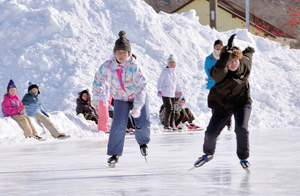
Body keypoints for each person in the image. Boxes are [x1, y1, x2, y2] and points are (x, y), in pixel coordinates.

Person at [194, 34, 255, 170]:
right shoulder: (219, 72)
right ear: (225, 61)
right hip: (222, 104)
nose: (233, 64)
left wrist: (250, 49)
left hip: (241, 102)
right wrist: (226, 55)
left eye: (235, 61)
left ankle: (243, 157)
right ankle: (208, 154)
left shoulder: (244, 64)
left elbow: (248, 56)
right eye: (229, 61)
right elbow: (218, 71)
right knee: (211, 132)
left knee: (241, 129)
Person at [92, 30, 150, 167]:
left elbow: (142, 87)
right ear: (114, 53)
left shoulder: (135, 67)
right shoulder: (108, 66)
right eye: (118, 52)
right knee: (118, 124)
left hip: (137, 96)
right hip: (120, 98)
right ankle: (114, 154)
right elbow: (97, 79)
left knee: (143, 120)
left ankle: (143, 142)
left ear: (129, 53)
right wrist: (95, 95)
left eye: (124, 53)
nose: (121, 55)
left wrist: (137, 106)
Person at [205, 39, 232, 130]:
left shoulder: (224, 57)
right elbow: (207, 69)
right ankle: (215, 122)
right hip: (213, 83)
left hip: (224, 83)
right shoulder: (208, 58)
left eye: (220, 46)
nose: (218, 47)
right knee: (215, 103)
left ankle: (228, 122)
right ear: (214, 47)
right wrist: (211, 76)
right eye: (217, 46)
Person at [157, 54, 182, 131]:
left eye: (173, 62)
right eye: (170, 62)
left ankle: (172, 125)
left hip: (172, 94)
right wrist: (159, 90)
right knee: (169, 108)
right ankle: (166, 125)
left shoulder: (175, 73)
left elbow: (177, 83)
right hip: (165, 93)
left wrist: (180, 91)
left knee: (172, 109)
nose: (172, 64)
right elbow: (160, 81)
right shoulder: (165, 72)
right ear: (168, 63)